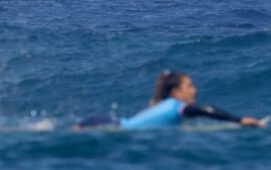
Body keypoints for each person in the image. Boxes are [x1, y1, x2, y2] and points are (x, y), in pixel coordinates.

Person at [78, 71, 267, 130]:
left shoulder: (164, 104)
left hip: (102, 122)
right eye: (190, 86)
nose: (195, 90)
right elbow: (205, 110)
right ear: (176, 91)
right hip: (111, 128)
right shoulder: (177, 107)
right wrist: (239, 120)